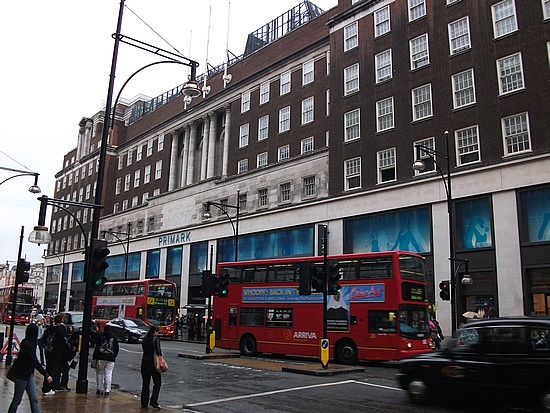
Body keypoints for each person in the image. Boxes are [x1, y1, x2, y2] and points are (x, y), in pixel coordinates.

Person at [8, 323, 53, 413]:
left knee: (34, 398)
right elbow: (34, 361)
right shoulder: (28, 345)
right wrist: (46, 374)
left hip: (28, 374)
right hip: (21, 375)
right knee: (17, 399)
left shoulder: (26, 342)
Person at [92, 325, 119, 396]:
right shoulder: (114, 338)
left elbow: (97, 346)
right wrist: (114, 355)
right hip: (110, 357)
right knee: (108, 373)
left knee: (99, 373)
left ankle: (99, 388)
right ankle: (107, 389)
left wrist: (95, 357)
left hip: (100, 357)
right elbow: (116, 348)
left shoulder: (101, 336)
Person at [141, 325, 162, 409]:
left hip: (144, 362)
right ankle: (153, 401)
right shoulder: (155, 339)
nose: (157, 334)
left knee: (145, 383)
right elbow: (158, 351)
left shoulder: (145, 339)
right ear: (155, 332)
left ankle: (144, 402)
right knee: (157, 383)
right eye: (157, 332)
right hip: (153, 363)